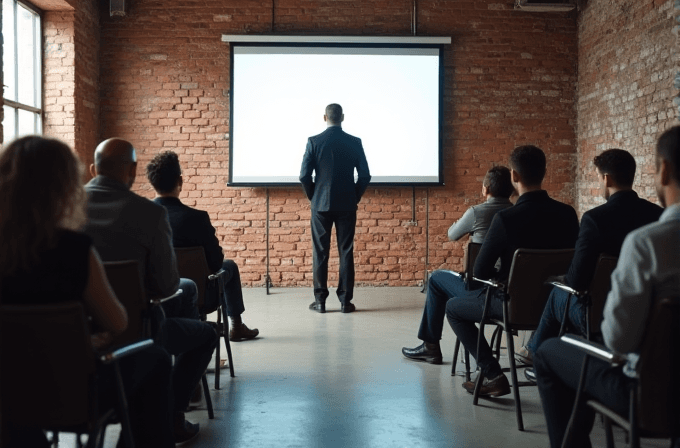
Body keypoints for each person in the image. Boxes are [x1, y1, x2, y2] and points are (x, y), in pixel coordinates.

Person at [0, 136, 174, 448]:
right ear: (64, 188)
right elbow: (118, 323)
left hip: (8, 389)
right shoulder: (74, 250)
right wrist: (82, 338)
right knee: (157, 359)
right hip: (69, 391)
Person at [534, 126, 680, 448]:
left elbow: (618, 339)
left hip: (649, 391)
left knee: (550, 350)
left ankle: (533, 350)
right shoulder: (654, 217)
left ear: (665, 170)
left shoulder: (644, 242)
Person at [84, 138, 217, 441]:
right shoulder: (149, 215)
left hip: (75, 341)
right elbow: (167, 285)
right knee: (203, 331)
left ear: (93, 169)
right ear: (132, 170)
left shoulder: (65, 212)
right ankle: (172, 411)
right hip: (138, 336)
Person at [446, 145, 580, 397]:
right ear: (544, 173)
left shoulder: (507, 219)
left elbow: (480, 271)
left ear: (514, 176)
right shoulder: (568, 214)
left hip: (512, 306)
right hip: (556, 308)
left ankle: (494, 375)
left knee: (453, 308)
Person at [522, 149, 662, 380]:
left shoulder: (595, 219)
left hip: (600, 315)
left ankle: (538, 357)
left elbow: (577, 281)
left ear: (606, 179)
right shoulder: (657, 215)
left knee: (559, 293)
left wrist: (562, 280)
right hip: (647, 312)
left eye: (598, 178)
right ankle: (539, 353)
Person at [401, 166, 514, 364]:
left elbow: (452, 234)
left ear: (485, 189)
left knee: (436, 278)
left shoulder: (477, 212)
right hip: (511, 290)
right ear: (511, 189)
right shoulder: (516, 214)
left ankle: (431, 346)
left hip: (481, 289)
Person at [146, 150, 259, 341]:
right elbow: (216, 263)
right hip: (201, 296)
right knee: (229, 265)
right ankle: (236, 326)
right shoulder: (197, 218)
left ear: (152, 182)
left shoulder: (142, 217)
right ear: (180, 181)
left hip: (154, 296)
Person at [300, 103, 371, 313]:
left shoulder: (314, 141)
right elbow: (365, 175)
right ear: (343, 117)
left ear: (325, 117)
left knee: (320, 252)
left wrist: (314, 197)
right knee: (346, 251)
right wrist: (354, 196)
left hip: (320, 205)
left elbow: (304, 176)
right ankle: (345, 302)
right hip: (347, 204)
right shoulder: (354, 142)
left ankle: (320, 301)